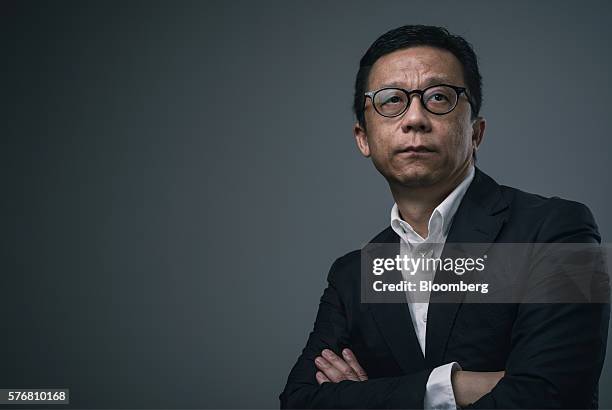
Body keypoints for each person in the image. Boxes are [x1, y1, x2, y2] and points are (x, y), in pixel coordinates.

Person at [279, 25, 609, 409]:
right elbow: (299, 402)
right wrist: (449, 387)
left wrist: (367, 397)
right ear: (363, 137)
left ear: (476, 132)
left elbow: (555, 396)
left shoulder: (560, 231)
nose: (415, 118)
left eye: (439, 97)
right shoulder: (353, 276)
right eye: (391, 100)